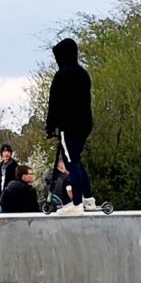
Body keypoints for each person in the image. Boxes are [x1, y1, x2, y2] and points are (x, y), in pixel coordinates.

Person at [43, 37, 95, 212]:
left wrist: (50, 128)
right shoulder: (83, 74)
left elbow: (54, 104)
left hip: (68, 126)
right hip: (85, 124)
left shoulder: (61, 76)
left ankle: (77, 203)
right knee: (77, 161)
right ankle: (88, 199)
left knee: (71, 162)